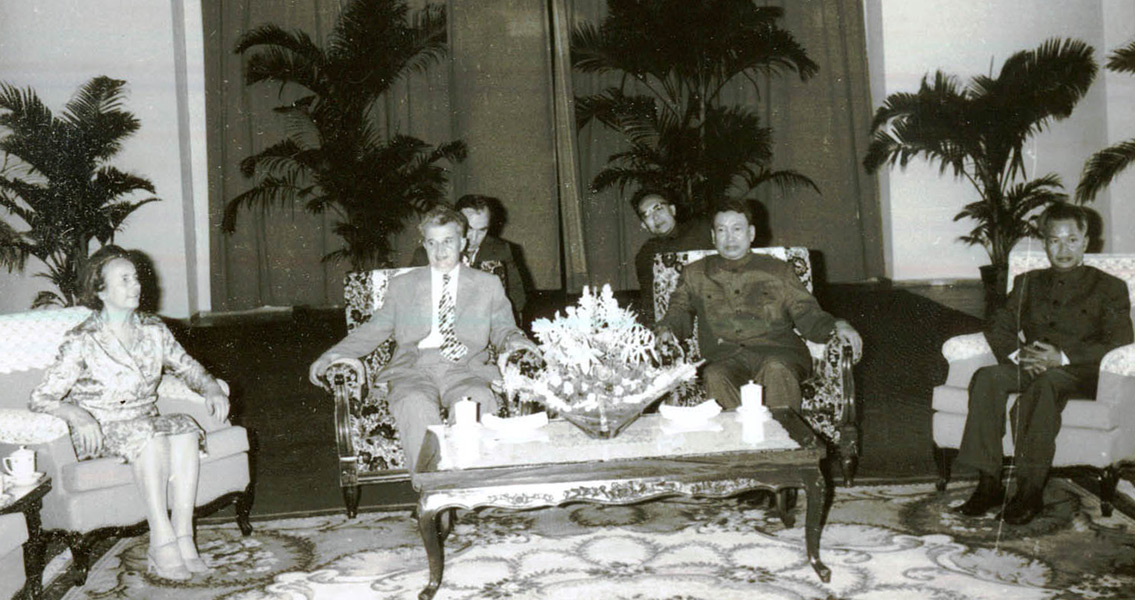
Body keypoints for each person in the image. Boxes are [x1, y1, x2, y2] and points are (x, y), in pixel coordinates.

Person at [29, 245, 230, 581]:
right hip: (103, 427)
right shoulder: (82, 339)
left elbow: (188, 367)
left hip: (145, 419)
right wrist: (79, 416)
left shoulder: (153, 329)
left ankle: (183, 537)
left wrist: (210, 387)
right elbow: (41, 397)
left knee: (184, 428)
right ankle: (161, 540)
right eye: (124, 280)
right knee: (150, 437)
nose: (135, 285)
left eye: (136, 278)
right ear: (100, 290)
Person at [311, 205, 540, 473]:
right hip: (414, 368)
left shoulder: (487, 284)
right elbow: (375, 328)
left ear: (463, 243)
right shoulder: (404, 285)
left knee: (478, 400)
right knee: (414, 404)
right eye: (432, 243)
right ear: (424, 245)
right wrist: (331, 355)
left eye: (447, 242)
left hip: (466, 368)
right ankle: (432, 493)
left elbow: (504, 329)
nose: (440, 251)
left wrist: (517, 343)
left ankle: (465, 485)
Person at [953, 203, 1133, 525]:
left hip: (1078, 373)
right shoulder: (1028, 282)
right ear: (1045, 243)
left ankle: (1029, 492)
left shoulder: (1109, 287)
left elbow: (1119, 342)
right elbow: (1000, 327)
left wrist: (1061, 358)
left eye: (1071, 240)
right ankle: (989, 483)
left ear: (1085, 242)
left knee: (1046, 384)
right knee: (986, 377)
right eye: (1054, 240)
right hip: (1030, 362)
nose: (1063, 249)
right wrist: (1019, 355)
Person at [655, 199, 862, 412]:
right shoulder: (695, 274)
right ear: (713, 236)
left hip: (779, 353)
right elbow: (678, 310)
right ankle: (737, 444)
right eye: (721, 230)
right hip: (724, 357)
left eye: (737, 229)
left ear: (751, 234)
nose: (729, 237)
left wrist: (837, 325)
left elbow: (807, 313)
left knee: (775, 369)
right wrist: (666, 329)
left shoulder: (778, 270)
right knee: (714, 375)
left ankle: (784, 442)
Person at [410, 194, 528, 320]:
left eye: (482, 230)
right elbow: (410, 297)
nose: (474, 238)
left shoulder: (500, 250)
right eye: (469, 229)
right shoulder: (427, 253)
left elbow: (518, 298)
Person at [631, 188, 714, 324]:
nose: (655, 217)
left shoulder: (702, 230)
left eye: (658, 208)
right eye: (647, 215)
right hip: (673, 325)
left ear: (673, 210)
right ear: (644, 225)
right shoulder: (646, 255)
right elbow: (649, 302)